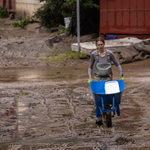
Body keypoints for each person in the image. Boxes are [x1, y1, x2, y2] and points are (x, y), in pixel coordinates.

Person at [88, 37, 124, 125]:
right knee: (98, 96)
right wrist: (90, 77)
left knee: (107, 95)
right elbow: (90, 67)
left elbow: (117, 64)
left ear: (104, 44)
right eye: (98, 45)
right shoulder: (93, 54)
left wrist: (121, 75)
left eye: (101, 44)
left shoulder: (109, 54)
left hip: (108, 78)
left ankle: (107, 109)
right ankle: (99, 115)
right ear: (96, 46)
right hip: (97, 78)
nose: (100, 46)